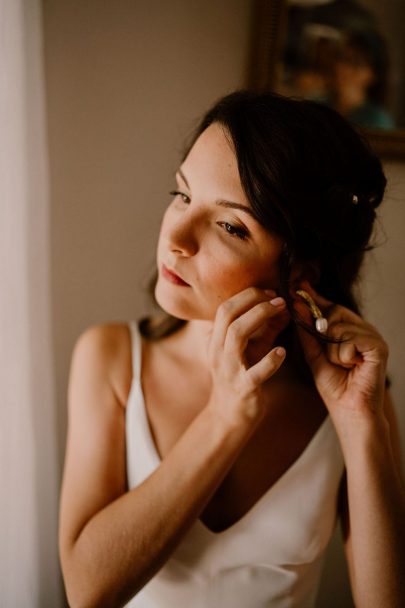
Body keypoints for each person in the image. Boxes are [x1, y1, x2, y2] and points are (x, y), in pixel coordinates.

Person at [59, 90, 404, 607]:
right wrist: (225, 416)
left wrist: (359, 425)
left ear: (301, 272)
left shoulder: (356, 396)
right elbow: (87, 590)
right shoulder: (110, 358)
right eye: (181, 195)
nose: (175, 236)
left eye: (229, 226)